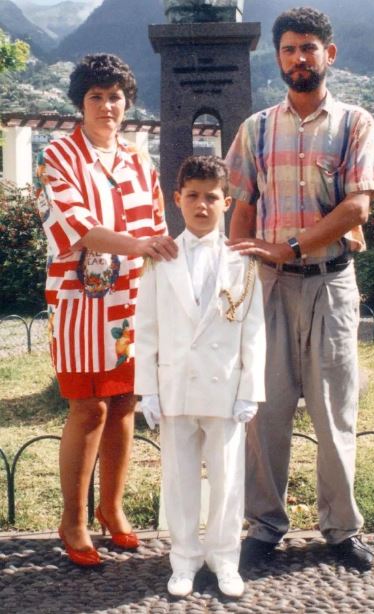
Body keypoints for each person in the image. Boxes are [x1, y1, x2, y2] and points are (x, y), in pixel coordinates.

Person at [225, 7, 374, 571]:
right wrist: (240, 275)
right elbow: (242, 207)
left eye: (309, 48)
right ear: (278, 58)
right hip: (268, 288)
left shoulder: (355, 124)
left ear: (330, 54)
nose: (300, 58)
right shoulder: (256, 128)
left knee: (333, 411)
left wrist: (291, 247)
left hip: (329, 285)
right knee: (263, 411)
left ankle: (341, 528)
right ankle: (264, 524)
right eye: (290, 49)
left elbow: (357, 205)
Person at [35, 53, 177, 566]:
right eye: (96, 96)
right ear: (82, 102)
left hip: (132, 301)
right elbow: (76, 226)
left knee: (124, 406)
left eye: (115, 96)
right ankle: (72, 519)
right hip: (78, 301)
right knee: (87, 407)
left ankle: (111, 510)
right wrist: (139, 246)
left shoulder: (139, 160)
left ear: (126, 101)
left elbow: (157, 221)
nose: (107, 105)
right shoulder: (58, 154)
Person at [134, 156, 266, 597]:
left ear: (226, 202)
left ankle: (225, 559)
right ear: (177, 199)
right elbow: (147, 329)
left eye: (212, 197)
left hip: (224, 387)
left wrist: (250, 390)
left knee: (228, 480)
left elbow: (254, 331)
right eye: (192, 195)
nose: (202, 205)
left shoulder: (242, 260)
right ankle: (184, 558)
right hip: (175, 386)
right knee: (179, 477)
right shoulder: (160, 258)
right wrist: (146, 390)